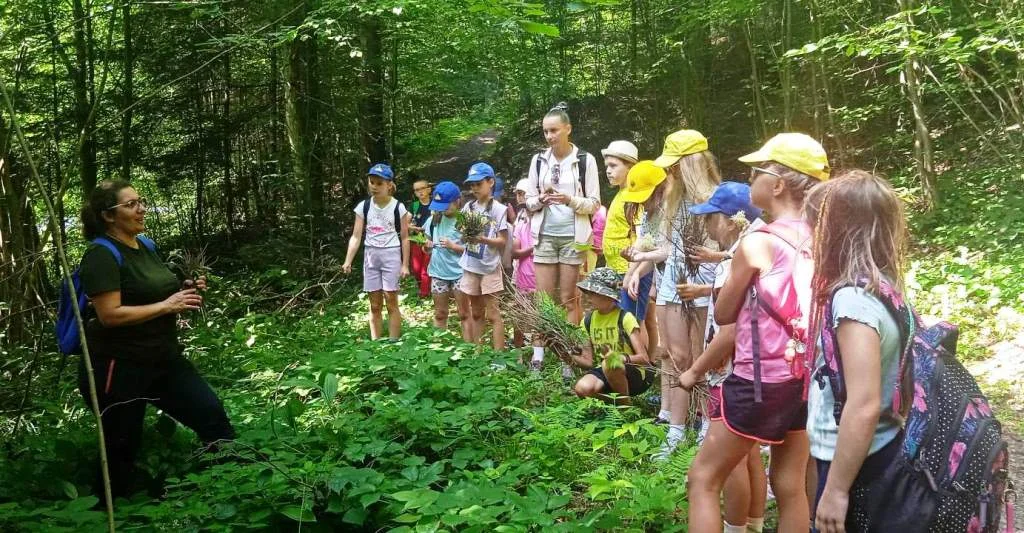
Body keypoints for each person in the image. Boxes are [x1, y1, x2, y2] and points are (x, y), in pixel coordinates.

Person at [687, 133, 830, 533]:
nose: (750, 179)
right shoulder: (825, 238)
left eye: (756, 173)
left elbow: (724, 311)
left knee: (702, 480)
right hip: (804, 377)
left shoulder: (757, 243)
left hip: (758, 381)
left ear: (779, 185)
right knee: (789, 486)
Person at [77, 180, 235, 499]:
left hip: (163, 360)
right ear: (109, 216)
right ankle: (107, 511)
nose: (142, 208)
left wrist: (186, 290)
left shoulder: (145, 245)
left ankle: (232, 488)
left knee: (212, 415)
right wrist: (167, 305)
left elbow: (158, 290)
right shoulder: (100, 255)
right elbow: (110, 315)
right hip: (118, 368)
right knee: (120, 448)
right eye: (132, 204)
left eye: (141, 201)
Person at [806, 171, 908, 533]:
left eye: (813, 228)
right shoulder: (884, 286)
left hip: (855, 462)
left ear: (833, 233)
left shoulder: (852, 301)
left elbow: (863, 404)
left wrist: (834, 490)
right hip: (876, 448)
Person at [679, 182, 769, 533]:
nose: (707, 225)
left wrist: (695, 370)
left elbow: (729, 332)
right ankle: (755, 524)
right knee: (748, 458)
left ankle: (735, 528)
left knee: (714, 471)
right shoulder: (757, 250)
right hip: (759, 372)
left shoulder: (737, 261)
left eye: (713, 217)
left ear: (733, 220)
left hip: (731, 373)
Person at [632, 130, 721, 459]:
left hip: (702, 282)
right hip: (673, 279)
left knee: (702, 359)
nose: (670, 172)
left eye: (674, 166)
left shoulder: (715, 197)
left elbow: (721, 246)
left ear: (692, 164)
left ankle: (706, 425)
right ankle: (676, 429)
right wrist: (642, 258)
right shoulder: (672, 199)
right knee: (677, 355)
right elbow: (668, 246)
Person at [524, 102, 601, 330]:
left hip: (572, 237)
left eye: (554, 130)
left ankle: (569, 356)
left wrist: (569, 200)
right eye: (546, 131)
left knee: (569, 298)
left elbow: (595, 204)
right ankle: (540, 352)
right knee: (544, 299)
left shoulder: (586, 159)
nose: (549, 136)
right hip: (544, 235)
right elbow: (528, 201)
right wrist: (541, 199)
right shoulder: (538, 161)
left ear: (568, 128)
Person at [342, 163, 411, 341]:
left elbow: (405, 237)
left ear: (389, 185)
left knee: (391, 301)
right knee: (374, 304)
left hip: (391, 254)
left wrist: (404, 264)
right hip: (371, 256)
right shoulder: (363, 207)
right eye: (372, 182)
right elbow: (356, 236)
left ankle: (394, 341)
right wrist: (348, 260)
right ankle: (376, 344)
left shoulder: (398, 207)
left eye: (379, 183)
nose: (374, 186)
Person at [565, 267, 654, 404]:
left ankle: (625, 408)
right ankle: (618, 403)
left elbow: (644, 358)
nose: (588, 297)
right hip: (606, 371)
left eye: (593, 293)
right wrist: (567, 354)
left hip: (633, 373)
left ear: (608, 296)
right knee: (582, 388)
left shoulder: (625, 318)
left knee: (610, 364)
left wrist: (621, 357)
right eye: (588, 292)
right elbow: (588, 362)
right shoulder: (588, 321)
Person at [459, 162, 509, 350]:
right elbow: (462, 237)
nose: (474, 189)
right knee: (476, 312)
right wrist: (467, 234)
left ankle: (499, 355)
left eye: (478, 184)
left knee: (493, 313)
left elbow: (502, 241)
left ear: (491, 182)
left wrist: (482, 239)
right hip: (471, 265)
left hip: (489, 266)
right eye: (472, 185)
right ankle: (477, 353)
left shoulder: (498, 209)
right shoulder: (468, 208)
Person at [423, 181, 470, 333]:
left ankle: (469, 348)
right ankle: (439, 348)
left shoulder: (465, 220)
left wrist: (453, 246)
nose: (443, 209)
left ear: (457, 201)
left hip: (460, 273)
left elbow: (475, 251)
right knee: (440, 313)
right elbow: (426, 248)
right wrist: (426, 247)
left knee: (464, 313)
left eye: (446, 205)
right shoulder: (433, 220)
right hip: (438, 273)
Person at [511, 179, 537, 350]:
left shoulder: (541, 219)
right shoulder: (520, 220)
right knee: (520, 312)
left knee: (540, 314)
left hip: (539, 275)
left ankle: (539, 350)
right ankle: (518, 349)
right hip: (522, 274)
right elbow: (515, 251)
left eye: (522, 193)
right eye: (517, 194)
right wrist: (533, 248)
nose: (519, 197)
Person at [409, 179, 433, 299]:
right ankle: (422, 287)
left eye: (422, 188)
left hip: (430, 240)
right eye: (417, 190)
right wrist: (413, 227)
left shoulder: (435, 204)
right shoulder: (414, 206)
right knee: (416, 269)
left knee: (425, 268)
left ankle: (424, 293)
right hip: (417, 239)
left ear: (429, 189)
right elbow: (405, 223)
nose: (420, 192)